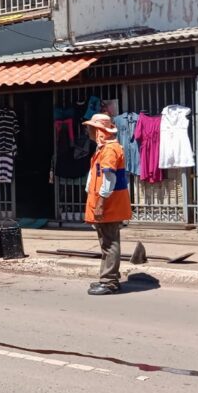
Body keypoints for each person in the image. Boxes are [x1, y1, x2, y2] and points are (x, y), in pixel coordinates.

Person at [82, 114, 132, 296]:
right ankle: (109, 278)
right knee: (106, 242)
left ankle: (109, 281)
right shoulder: (104, 148)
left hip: (109, 204)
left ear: (99, 131)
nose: (88, 131)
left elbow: (109, 178)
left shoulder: (110, 150)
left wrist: (101, 203)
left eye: (90, 128)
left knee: (110, 242)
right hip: (106, 202)